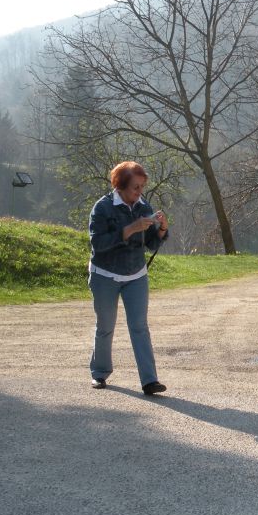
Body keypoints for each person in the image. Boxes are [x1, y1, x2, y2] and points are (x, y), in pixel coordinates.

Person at [87, 161, 170, 396]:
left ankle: (149, 381)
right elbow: (98, 244)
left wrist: (162, 229)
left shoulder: (144, 207)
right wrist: (128, 230)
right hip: (105, 275)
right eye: (135, 187)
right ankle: (99, 374)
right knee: (105, 326)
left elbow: (152, 243)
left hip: (136, 275)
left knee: (140, 327)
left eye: (142, 186)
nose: (140, 192)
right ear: (120, 186)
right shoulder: (102, 208)